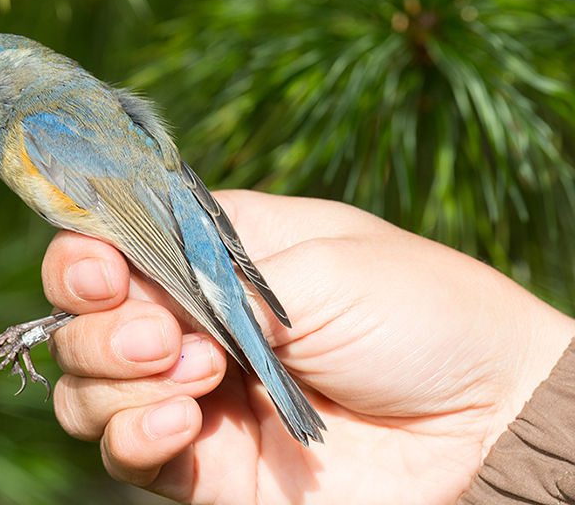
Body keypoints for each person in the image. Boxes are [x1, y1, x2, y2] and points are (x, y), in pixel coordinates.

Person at [40, 191, 575, 504]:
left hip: (169, 242)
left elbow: (148, 224)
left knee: (128, 310)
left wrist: (508, 387)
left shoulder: (40, 123)